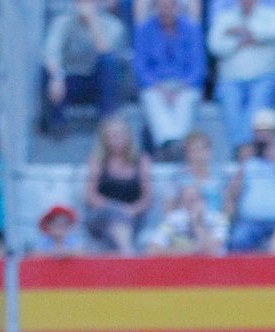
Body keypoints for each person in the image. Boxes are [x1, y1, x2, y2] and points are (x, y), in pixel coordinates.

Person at [206, 0, 275, 153]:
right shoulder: (224, 17)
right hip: (230, 80)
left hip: (264, 77)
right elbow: (214, 45)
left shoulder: (272, 14)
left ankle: (242, 152)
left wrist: (239, 31)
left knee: (256, 108)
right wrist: (237, 43)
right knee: (231, 110)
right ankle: (244, 151)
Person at [131, 0, 205, 158]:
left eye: (170, 5)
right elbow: (140, 67)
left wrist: (181, 87)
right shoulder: (144, 30)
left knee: (185, 100)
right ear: (155, 7)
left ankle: (174, 146)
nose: (166, 10)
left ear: (177, 7)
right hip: (155, 84)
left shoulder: (192, 29)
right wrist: (159, 88)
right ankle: (170, 145)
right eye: (161, 6)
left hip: (185, 84)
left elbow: (198, 67)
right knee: (152, 99)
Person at [41, 0, 126, 137]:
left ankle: (107, 121)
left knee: (109, 62)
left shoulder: (113, 25)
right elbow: (51, 52)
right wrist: (57, 77)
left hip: (96, 83)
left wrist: (92, 22)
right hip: (68, 81)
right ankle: (57, 125)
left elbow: (106, 51)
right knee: (47, 72)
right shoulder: (62, 22)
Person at [225, 106, 275, 251]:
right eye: (259, 132)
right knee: (238, 241)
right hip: (250, 221)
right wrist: (243, 164)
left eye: (267, 132)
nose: (263, 136)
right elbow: (232, 194)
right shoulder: (245, 159)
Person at [83, 113, 154, 253]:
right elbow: (90, 196)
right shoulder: (97, 161)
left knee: (117, 225)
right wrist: (116, 209)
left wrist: (131, 210)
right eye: (111, 136)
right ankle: (127, 253)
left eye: (119, 135)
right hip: (101, 215)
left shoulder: (141, 160)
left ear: (128, 136)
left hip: (133, 216)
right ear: (104, 139)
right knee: (113, 214)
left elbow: (147, 197)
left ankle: (122, 253)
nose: (115, 140)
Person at [144, 181, 230, 253]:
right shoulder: (172, 219)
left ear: (203, 201)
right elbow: (152, 250)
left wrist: (196, 223)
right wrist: (190, 251)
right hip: (181, 268)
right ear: (180, 204)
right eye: (187, 201)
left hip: (213, 269)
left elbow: (212, 250)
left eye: (194, 200)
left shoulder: (219, 219)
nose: (191, 205)